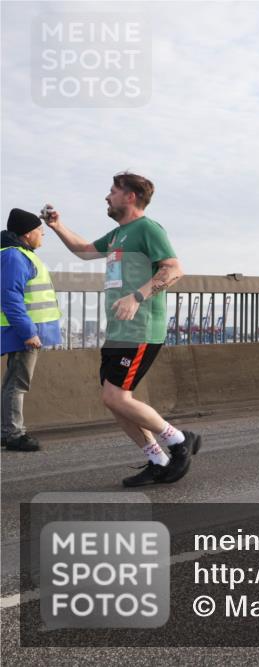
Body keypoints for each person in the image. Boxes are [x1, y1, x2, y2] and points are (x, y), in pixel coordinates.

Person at [43, 172, 202, 485]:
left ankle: (180, 440)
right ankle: (157, 459)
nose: (107, 196)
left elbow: (174, 269)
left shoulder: (148, 228)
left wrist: (137, 296)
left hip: (141, 329)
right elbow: (85, 251)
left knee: (116, 397)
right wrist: (57, 226)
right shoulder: (118, 235)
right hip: (118, 330)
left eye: (113, 191)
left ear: (130, 196)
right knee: (113, 399)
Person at [1, 209, 62, 452]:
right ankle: (14, 434)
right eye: (40, 230)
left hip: (25, 331)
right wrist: (28, 333)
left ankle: (7, 431)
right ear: (27, 234)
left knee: (13, 382)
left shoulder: (20, 254)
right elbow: (10, 298)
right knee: (18, 383)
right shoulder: (14, 256)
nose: (42, 235)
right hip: (23, 333)